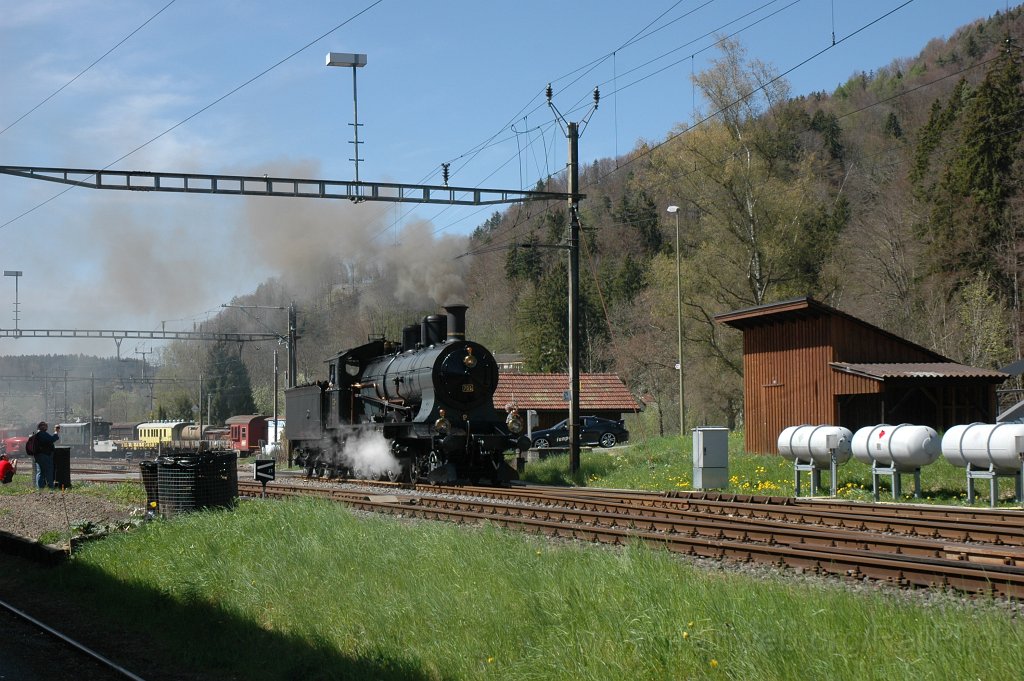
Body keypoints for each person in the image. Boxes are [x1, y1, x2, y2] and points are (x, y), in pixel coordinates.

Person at [32, 421, 60, 490]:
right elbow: (53, 439)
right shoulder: (42, 434)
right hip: (45, 455)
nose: (46, 427)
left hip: (38, 456)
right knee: (49, 471)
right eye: (45, 426)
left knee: (40, 472)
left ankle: (40, 488)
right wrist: (56, 432)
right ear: (42, 427)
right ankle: (51, 487)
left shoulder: (36, 434)